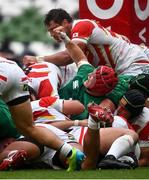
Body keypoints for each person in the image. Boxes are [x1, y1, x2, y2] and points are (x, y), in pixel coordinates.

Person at [0, 56, 85, 171]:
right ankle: (69, 151)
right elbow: (78, 107)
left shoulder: (41, 100)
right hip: (17, 75)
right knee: (29, 127)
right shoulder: (40, 100)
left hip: (10, 80)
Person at [0, 103, 138, 170]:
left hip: (56, 135)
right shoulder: (35, 105)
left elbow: (77, 107)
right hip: (66, 137)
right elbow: (77, 107)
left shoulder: (34, 106)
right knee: (84, 164)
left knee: (18, 151)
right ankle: (93, 123)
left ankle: (11, 155)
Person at [23, 8, 149, 77]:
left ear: (66, 22)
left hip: (134, 64)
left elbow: (68, 57)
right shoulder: (74, 36)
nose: (51, 34)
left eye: (52, 29)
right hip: (132, 61)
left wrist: (37, 59)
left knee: (125, 102)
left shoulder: (81, 25)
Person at [112, 88, 149, 166]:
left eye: (124, 109)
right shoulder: (118, 111)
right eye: (119, 105)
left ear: (134, 113)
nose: (118, 110)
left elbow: (145, 159)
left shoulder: (146, 122)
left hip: (136, 152)